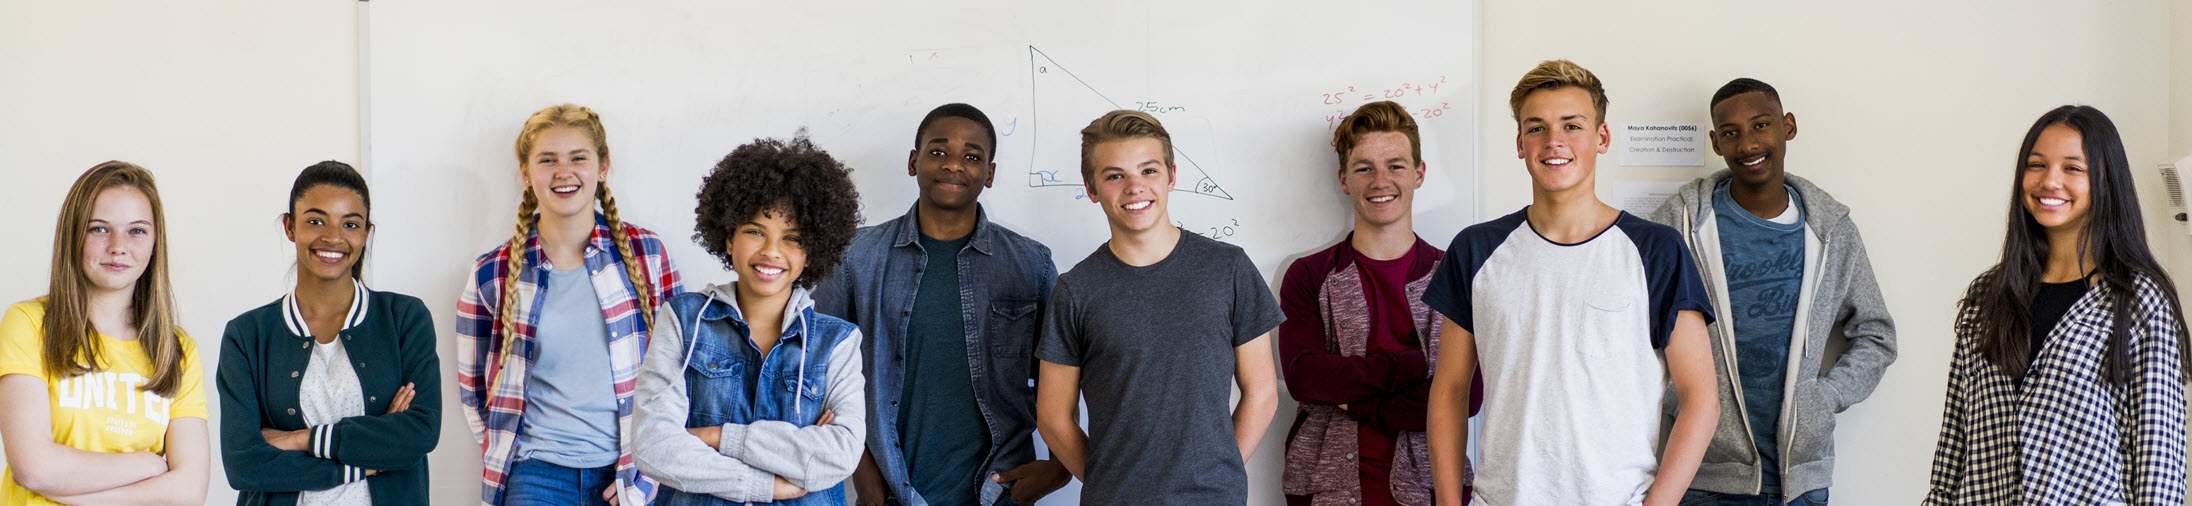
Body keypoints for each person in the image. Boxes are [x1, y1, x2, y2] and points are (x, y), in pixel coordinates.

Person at [1422, 60, 1719, 506]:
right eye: (1536, 128)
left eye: (1572, 125)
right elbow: (1449, 389)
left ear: (1601, 138)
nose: (1553, 141)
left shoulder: (1657, 250)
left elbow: (1701, 397)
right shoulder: (1475, 249)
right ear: (1520, 144)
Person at [1645, 78, 1897, 506]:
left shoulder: (1831, 230)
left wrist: (1826, 397)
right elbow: (1634, 328)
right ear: (1715, 141)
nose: (1747, 144)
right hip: (1703, 477)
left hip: (1800, 483)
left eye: (1761, 125)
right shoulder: (1681, 224)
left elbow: (1877, 333)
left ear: (1789, 126)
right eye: (1730, 133)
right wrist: (1679, 398)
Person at [1925, 105, 2187, 505]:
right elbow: (1953, 447)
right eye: (2037, 165)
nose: (2050, 181)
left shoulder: (2138, 303)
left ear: (2105, 181)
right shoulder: (1987, 298)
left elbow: (2159, 466)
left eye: (2072, 168)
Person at [818, 103, 1068, 506]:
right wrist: (862, 474)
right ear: (914, 161)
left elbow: (1062, 376)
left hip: (998, 490)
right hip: (891, 490)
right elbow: (819, 373)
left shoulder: (1031, 264)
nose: (954, 165)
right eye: (938, 151)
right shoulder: (855, 258)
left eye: (972, 156)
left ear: (989, 173)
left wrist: (1058, 468)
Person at [1035, 109, 1284, 505]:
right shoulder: (1075, 290)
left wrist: (1218, 473)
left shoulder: (1228, 268)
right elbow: (1052, 416)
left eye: (1148, 170)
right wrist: (1108, 484)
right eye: (1115, 175)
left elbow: (1262, 390)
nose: (1135, 186)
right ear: (1091, 187)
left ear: (1171, 174)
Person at [456, 104, 683, 506]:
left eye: (578, 158)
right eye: (548, 160)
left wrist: (647, 470)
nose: (564, 172)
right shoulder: (492, 272)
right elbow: (474, 390)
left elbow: (679, 372)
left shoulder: (647, 255)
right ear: (526, 173)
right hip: (535, 475)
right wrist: (502, 451)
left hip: (629, 472)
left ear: (602, 167)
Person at [632, 135, 867, 505]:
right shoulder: (683, 320)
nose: (771, 251)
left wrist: (715, 438)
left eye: (792, 238)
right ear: (728, 238)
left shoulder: (838, 342)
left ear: (812, 252)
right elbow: (653, 445)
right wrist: (771, 480)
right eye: (755, 231)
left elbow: (838, 456)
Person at [1279, 100, 1480, 506]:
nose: (1380, 180)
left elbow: (1468, 398)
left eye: (1396, 165)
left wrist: (1351, 397)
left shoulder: (1455, 276)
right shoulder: (1309, 275)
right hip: (1324, 490)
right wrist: (1408, 366)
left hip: (1431, 490)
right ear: (1344, 179)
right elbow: (1305, 378)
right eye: (1364, 167)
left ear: (1419, 174)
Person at [218, 161, 443, 505]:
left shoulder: (404, 318)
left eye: (350, 224)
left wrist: (301, 439)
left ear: (366, 232)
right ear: (290, 227)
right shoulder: (247, 335)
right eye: (315, 221)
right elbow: (243, 465)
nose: (333, 237)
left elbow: (420, 433)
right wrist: (367, 458)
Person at [0, 161, 211, 505]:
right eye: (99, 229)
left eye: (137, 231)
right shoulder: (28, 323)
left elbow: (188, 491)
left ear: (156, 242)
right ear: (74, 235)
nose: (118, 246)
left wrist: (79, 497)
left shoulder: (177, 350)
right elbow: (34, 468)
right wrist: (149, 465)